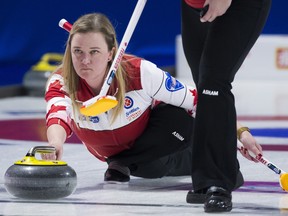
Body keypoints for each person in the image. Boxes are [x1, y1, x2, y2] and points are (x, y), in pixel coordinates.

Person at [42, 13, 260, 191]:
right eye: (77, 51)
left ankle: (214, 166)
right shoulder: (62, 80)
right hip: (134, 161)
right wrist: (55, 144)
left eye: (94, 52)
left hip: (158, 143)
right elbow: (59, 114)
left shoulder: (141, 73)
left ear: (111, 53)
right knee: (149, 168)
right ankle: (122, 162)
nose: (85, 60)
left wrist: (240, 132)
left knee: (182, 120)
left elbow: (199, 101)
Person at [181, 0, 272, 213]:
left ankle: (218, 182)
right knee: (204, 86)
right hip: (193, 3)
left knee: (214, 81)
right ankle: (211, 176)